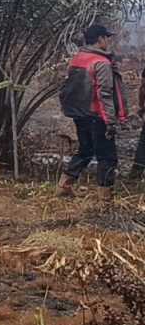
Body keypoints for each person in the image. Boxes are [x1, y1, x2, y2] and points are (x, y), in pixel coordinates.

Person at [57, 24, 127, 202]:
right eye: (106, 37)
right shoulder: (101, 63)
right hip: (98, 116)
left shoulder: (78, 58)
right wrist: (111, 121)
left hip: (80, 114)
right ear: (100, 39)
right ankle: (105, 198)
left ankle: (64, 185)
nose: (108, 41)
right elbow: (104, 94)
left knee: (86, 150)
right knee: (107, 157)